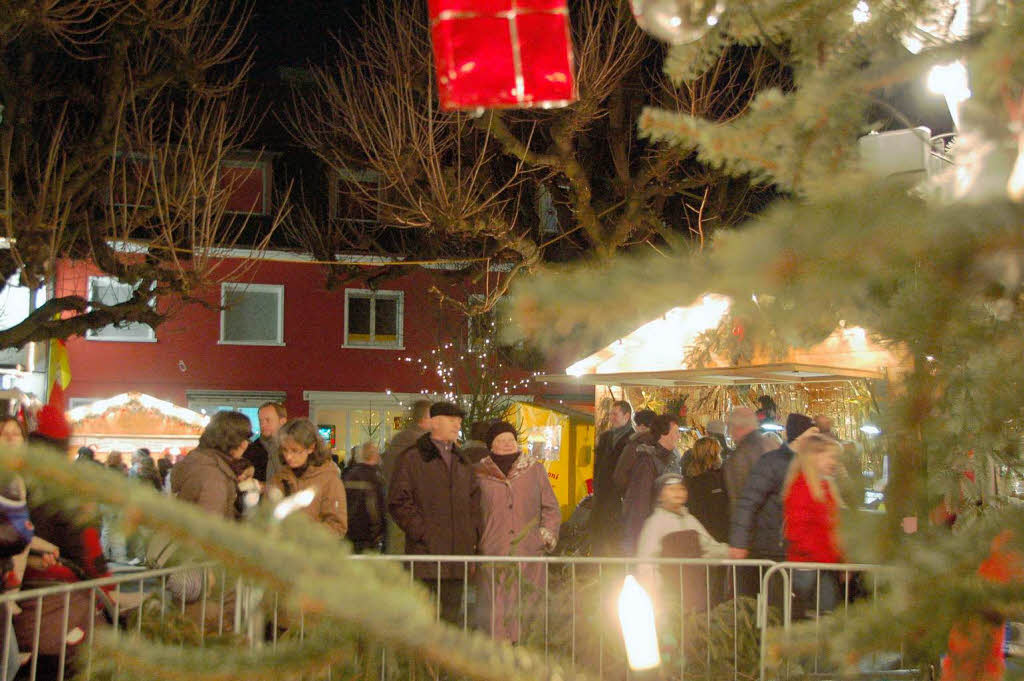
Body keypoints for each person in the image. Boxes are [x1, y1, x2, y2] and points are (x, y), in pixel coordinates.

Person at [388, 402, 481, 624]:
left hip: (457, 559)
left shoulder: (462, 461)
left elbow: (474, 505)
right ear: (434, 421)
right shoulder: (413, 458)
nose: (457, 424)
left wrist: (471, 539)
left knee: (449, 623)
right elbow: (398, 501)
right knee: (424, 623)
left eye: (459, 420)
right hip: (426, 559)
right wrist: (424, 533)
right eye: (451, 419)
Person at [474, 422, 560, 642]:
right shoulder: (478, 473)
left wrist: (544, 535)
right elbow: (471, 510)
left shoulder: (534, 469)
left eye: (510, 439)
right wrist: (476, 542)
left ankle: (527, 653)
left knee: (527, 607)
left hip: (528, 552)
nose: (506, 444)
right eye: (500, 440)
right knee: (495, 609)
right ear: (491, 446)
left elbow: (550, 507)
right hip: (493, 551)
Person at [728, 413, 816, 599]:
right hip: (772, 545)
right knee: (777, 601)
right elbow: (748, 502)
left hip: (795, 547)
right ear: (800, 437)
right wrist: (739, 542)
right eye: (812, 435)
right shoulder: (772, 462)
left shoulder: (810, 464)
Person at [635, 473, 729, 612]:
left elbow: (708, 548)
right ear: (660, 496)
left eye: (681, 488)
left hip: (695, 594)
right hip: (669, 598)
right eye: (671, 489)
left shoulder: (691, 521)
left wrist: (729, 552)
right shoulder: (655, 524)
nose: (677, 493)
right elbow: (646, 562)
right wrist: (654, 593)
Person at [784, 432, 844, 615]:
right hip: (808, 566)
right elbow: (797, 530)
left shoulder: (824, 487)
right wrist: (830, 555)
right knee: (820, 612)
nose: (833, 462)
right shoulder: (802, 487)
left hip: (821, 564)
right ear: (814, 457)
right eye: (830, 457)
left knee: (824, 611)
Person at [268, 419, 347, 536]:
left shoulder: (329, 480)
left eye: (295, 451)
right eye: (285, 450)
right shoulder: (279, 478)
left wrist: (305, 534)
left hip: (313, 551)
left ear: (311, 448)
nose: (289, 456)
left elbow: (337, 526)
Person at [620, 414, 682, 555]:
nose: (679, 436)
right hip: (649, 534)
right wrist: (637, 541)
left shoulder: (672, 459)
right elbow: (639, 502)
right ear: (664, 434)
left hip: (664, 533)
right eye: (676, 432)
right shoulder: (647, 462)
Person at [381, 399, 431, 554]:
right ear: (424, 420)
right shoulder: (423, 445)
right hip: (415, 515)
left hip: (395, 512)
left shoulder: (397, 442)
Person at [590, 400, 633, 553]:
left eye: (615, 414)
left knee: (614, 541)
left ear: (626, 416)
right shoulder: (605, 438)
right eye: (611, 414)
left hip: (618, 500)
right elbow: (598, 465)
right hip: (601, 498)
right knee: (599, 539)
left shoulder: (632, 440)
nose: (612, 418)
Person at [722, 407, 773, 515]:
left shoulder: (739, 456)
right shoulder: (771, 444)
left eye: (730, 427)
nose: (730, 433)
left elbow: (740, 499)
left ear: (738, 428)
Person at [684, 437, 730, 543]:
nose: (720, 457)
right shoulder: (718, 478)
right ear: (711, 455)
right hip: (718, 538)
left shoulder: (690, 478)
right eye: (718, 453)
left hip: (699, 537)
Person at [343, 441, 387, 552]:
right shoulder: (375, 478)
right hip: (368, 536)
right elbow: (375, 509)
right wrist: (378, 534)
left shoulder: (348, 475)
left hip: (349, 533)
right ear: (375, 456)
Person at [611, 408, 658, 497]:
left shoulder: (633, 446)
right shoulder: (660, 446)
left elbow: (619, 477)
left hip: (635, 498)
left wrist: (630, 492)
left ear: (641, 426)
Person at [243, 402, 287, 484]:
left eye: (268, 420)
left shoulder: (293, 449)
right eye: (260, 421)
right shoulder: (251, 451)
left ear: (282, 421)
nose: (263, 424)